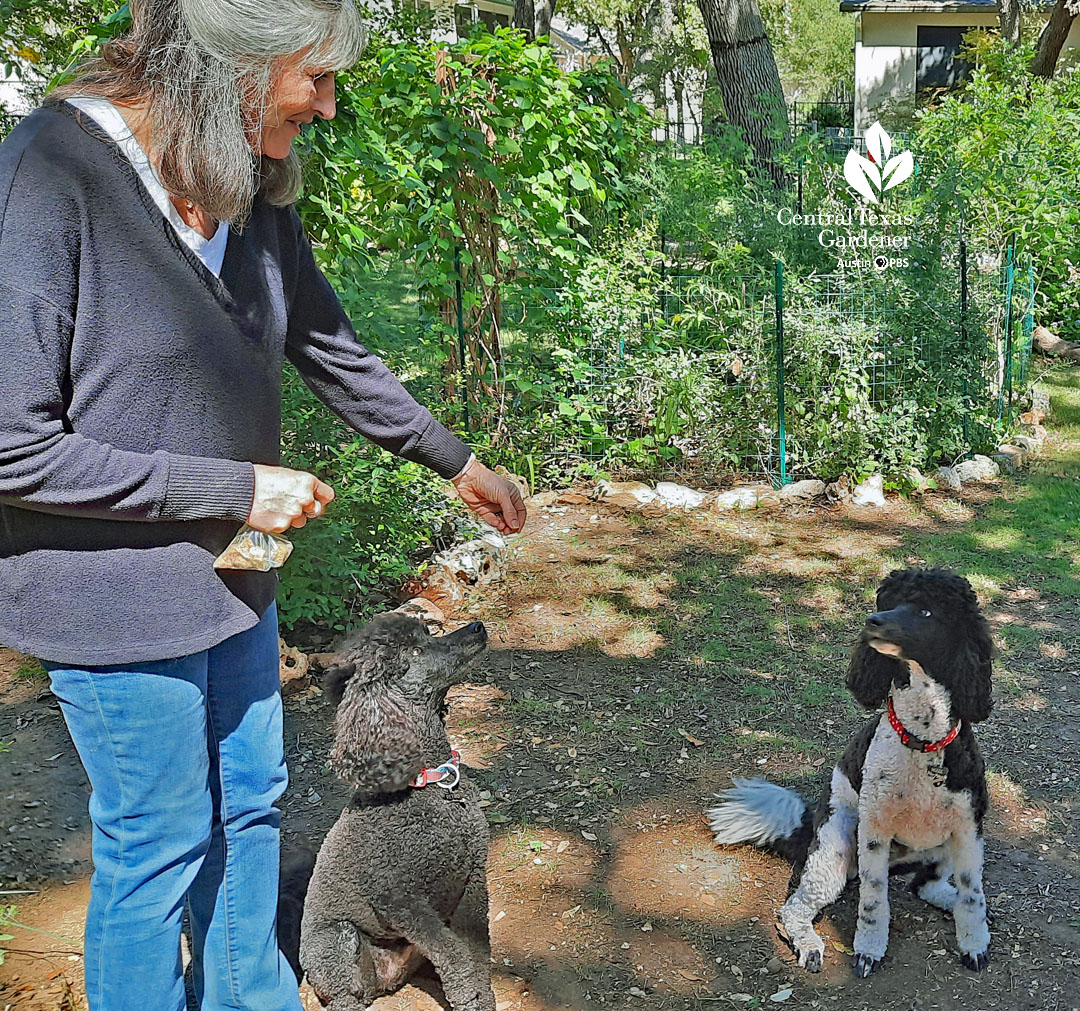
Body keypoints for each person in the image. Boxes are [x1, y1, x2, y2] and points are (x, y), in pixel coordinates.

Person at [0, 0, 525, 1007]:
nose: (328, 106)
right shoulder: (48, 177)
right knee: (157, 845)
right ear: (229, 72)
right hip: (108, 596)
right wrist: (229, 486)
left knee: (251, 806)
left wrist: (452, 460)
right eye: (314, 78)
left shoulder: (244, 179)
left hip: (233, 576)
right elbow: (14, 446)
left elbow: (323, 340)